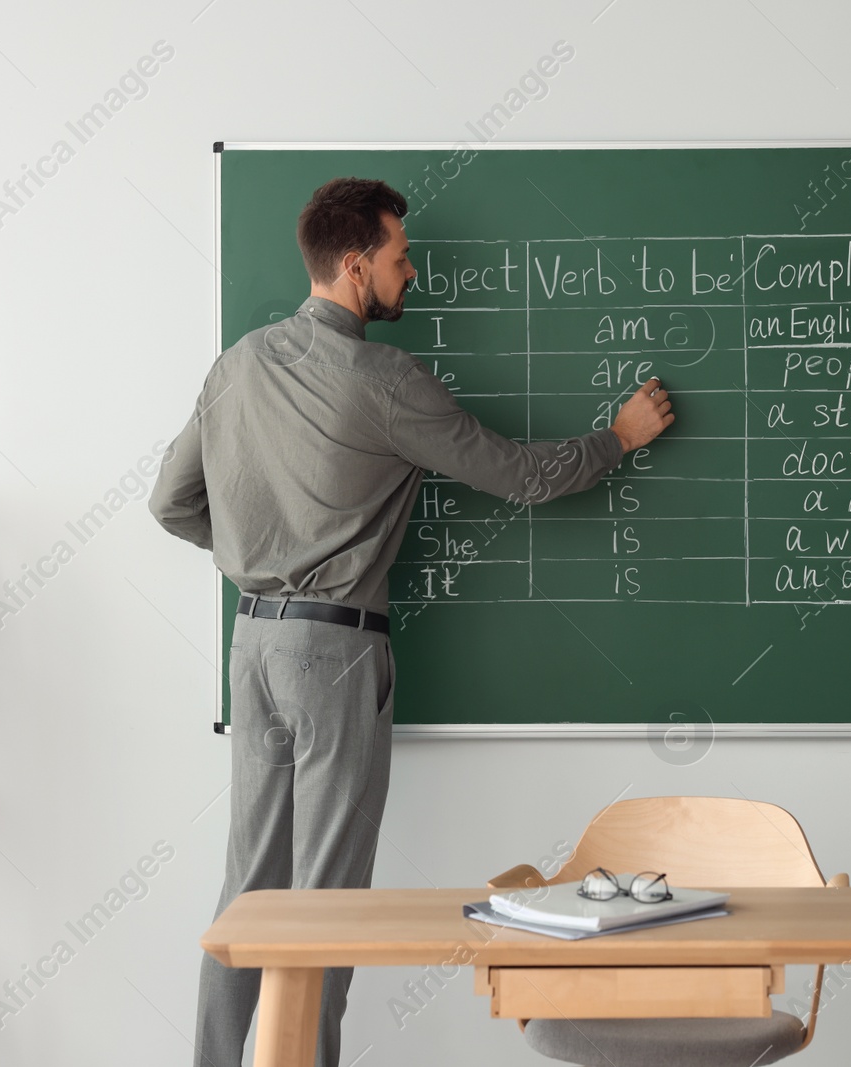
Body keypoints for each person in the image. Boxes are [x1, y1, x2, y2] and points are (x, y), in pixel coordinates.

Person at [148, 176, 675, 1066]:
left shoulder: (237, 363)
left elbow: (170, 502)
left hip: (253, 644)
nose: (413, 272)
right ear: (356, 267)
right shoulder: (384, 380)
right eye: (399, 257)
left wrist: (254, 556)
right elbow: (518, 474)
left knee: (249, 890)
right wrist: (618, 439)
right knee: (324, 905)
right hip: (335, 652)